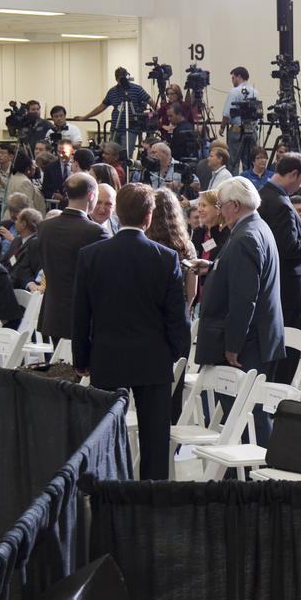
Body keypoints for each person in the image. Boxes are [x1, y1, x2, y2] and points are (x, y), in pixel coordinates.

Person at [73, 184, 191, 480]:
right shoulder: (165, 257)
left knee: (104, 434)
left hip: (107, 356)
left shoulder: (91, 255)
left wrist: (81, 359)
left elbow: (81, 315)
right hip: (153, 358)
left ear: (117, 213)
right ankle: (151, 497)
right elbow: (177, 317)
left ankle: (105, 488)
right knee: (155, 439)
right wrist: (177, 352)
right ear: (148, 217)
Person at [196, 177, 285, 441]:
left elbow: (245, 298)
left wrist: (233, 344)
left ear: (234, 205)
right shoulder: (255, 226)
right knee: (247, 414)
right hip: (256, 337)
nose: (220, 210)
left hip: (247, 343)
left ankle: (260, 465)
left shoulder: (246, 236)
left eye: (221, 205)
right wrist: (214, 268)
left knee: (248, 416)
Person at [35, 173, 103, 342]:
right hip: (83, 316)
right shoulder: (96, 232)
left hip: (52, 312)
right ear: (91, 196)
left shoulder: (44, 227)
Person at [258, 154, 301, 342]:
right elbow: (290, 248)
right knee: (289, 346)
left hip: (275, 285)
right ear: (293, 174)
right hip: (288, 290)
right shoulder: (281, 204)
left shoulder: (263, 194)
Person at [74, 67, 154, 157]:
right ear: (116, 79)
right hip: (116, 128)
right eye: (119, 79)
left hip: (131, 129)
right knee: (111, 154)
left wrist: (160, 113)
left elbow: (150, 101)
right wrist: (85, 117)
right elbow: (101, 107)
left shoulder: (136, 89)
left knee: (126, 155)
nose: (121, 81)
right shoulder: (112, 92)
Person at [147, 188, 197, 307]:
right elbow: (192, 290)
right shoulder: (186, 245)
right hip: (176, 306)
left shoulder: (145, 242)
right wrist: (186, 310)